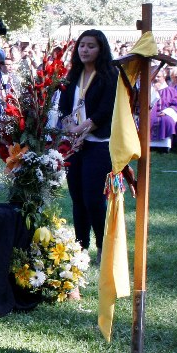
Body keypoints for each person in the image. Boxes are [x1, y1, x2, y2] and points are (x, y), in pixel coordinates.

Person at [58, 29, 117, 261]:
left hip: (98, 142)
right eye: (82, 45)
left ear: (101, 49)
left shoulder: (109, 75)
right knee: (77, 198)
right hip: (73, 144)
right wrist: (69, 128)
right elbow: (63, 106)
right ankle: (80, 247)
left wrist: (82, 130)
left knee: (93, 199)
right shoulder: (74, 74)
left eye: (91, 46)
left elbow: (106, 110)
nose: (85, 50)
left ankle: (103, 246)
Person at [149, 68, 177, 152]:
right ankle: (148, 145)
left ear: (164, 77)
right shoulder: (147, 90)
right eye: (154, 76)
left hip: (165, 114)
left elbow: (176, 104)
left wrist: (166, 112)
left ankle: (165, 146)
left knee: (167, 120)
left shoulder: (171, 90)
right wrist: (153, 91)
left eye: (158, 77)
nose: (156, 79)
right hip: (149, 113)